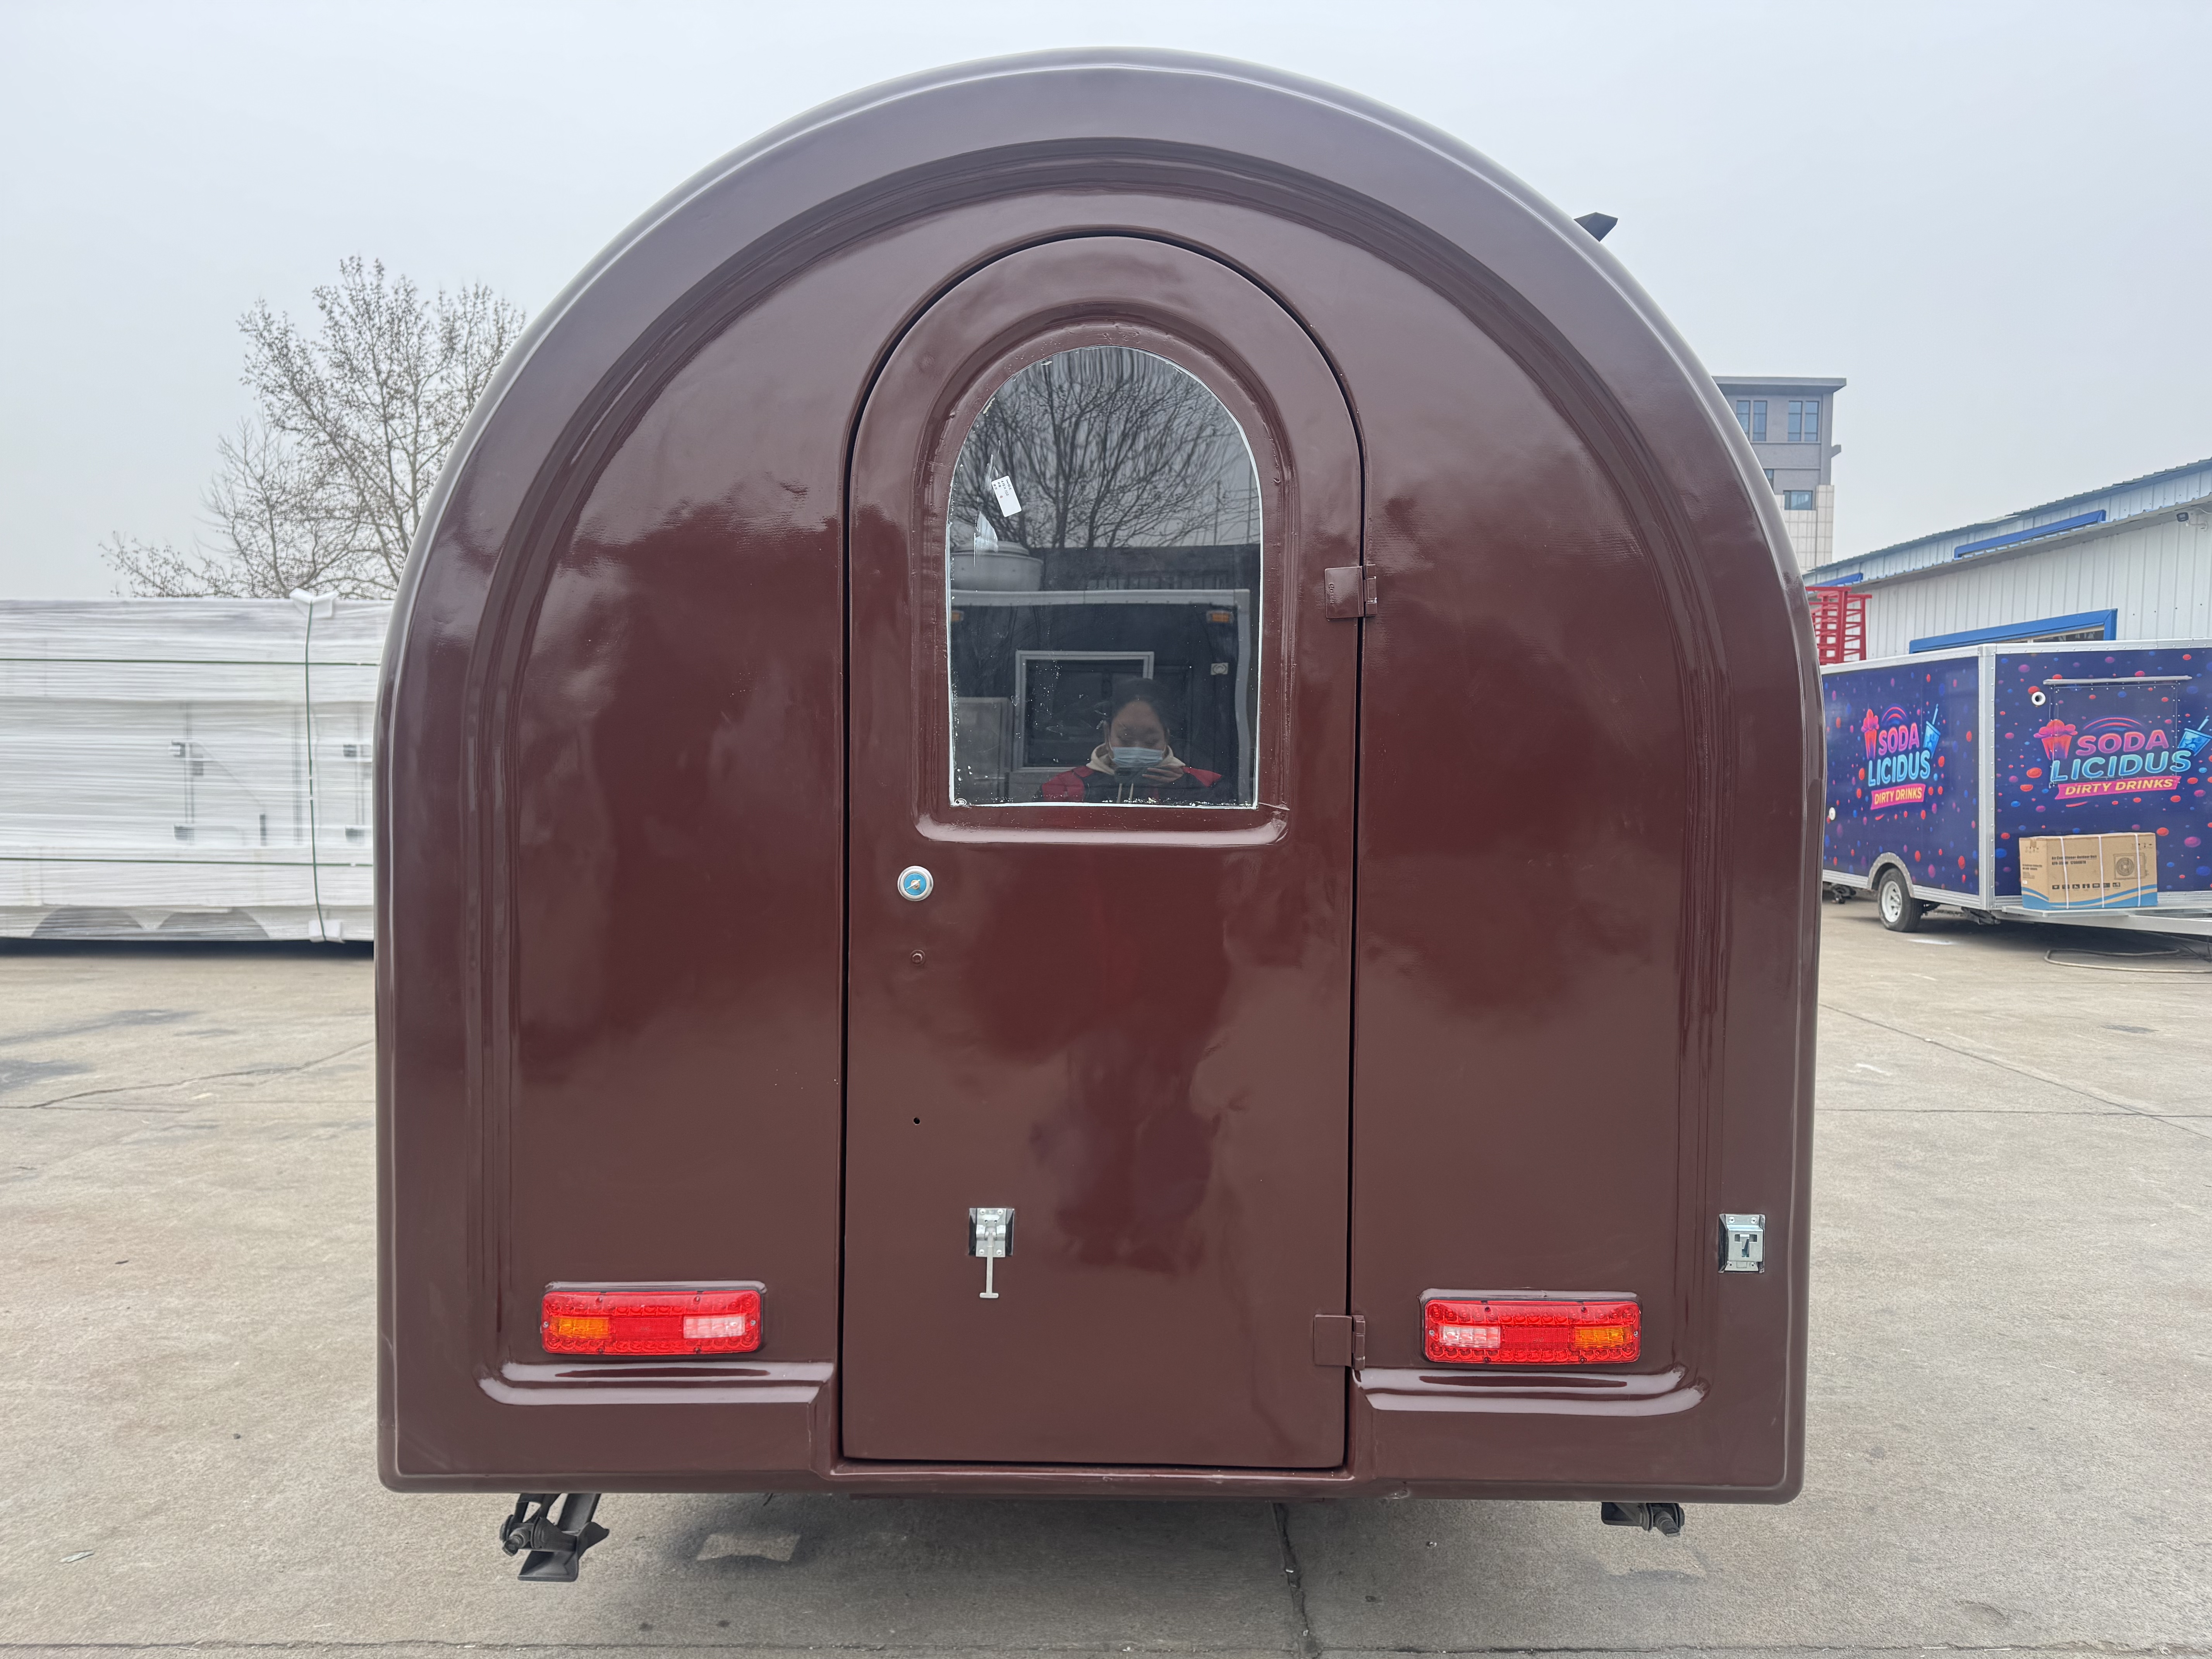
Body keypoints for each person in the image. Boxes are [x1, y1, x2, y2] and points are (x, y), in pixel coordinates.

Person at [1041, 680, 1232, 804]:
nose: (1137, 749)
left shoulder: (1208, 784)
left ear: (1166, 737)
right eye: (1125, 739)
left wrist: (1185, 790)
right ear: (1107, 735)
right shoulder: (1066, 787)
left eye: (1151, 741)